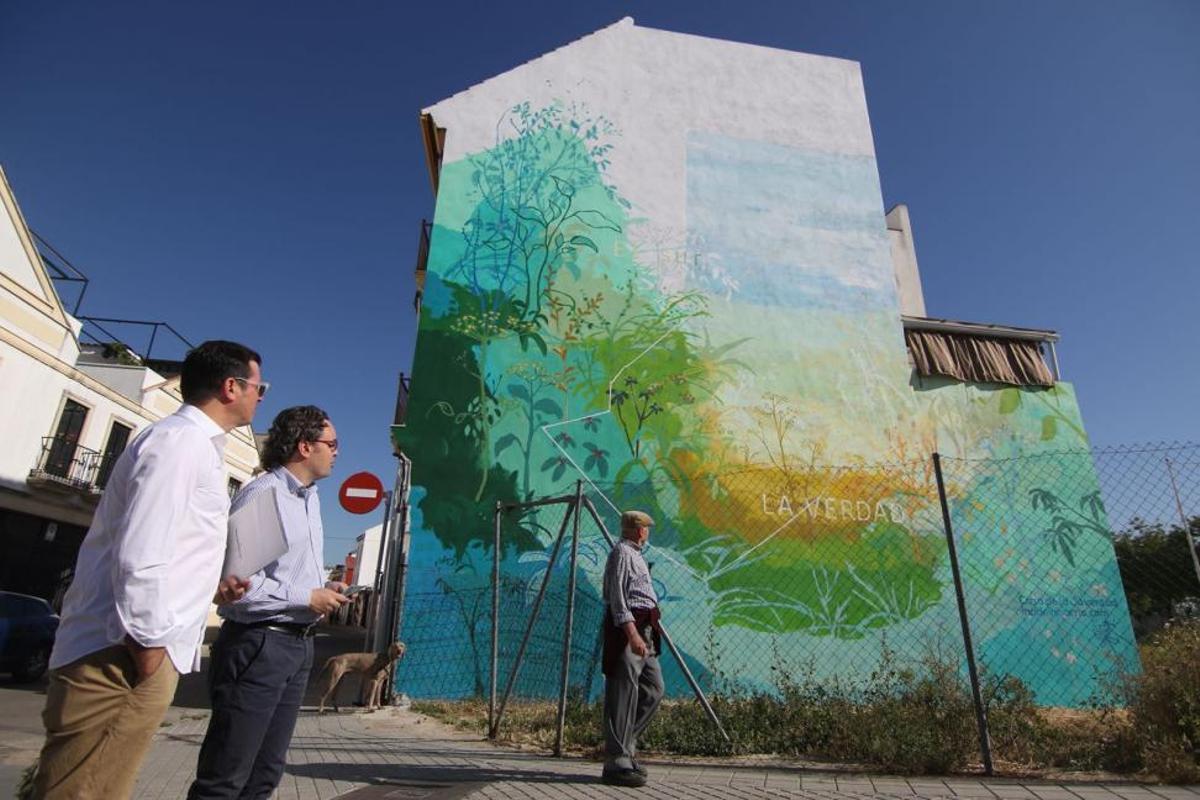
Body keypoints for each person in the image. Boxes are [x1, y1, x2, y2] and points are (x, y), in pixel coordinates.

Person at [32, 340, 265, 799]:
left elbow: (164, 546)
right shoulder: (180, 443)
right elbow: (140, 552)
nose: (261, 397)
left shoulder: (194, 445)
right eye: (260, 387)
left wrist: (211, 589)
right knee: (85, 788)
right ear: (231, 386)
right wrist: (148, 646)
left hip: (131, 649)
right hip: (119, 655)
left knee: (104, 785)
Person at [188, 405, 349, 800]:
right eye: (332, 443)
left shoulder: (309, 499)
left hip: (297, 646)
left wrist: (322, 586)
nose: (338, 452)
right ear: (304, 446)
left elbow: (282, 573)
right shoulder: (264, 494)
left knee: (265, 775)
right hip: (259, 644)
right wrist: (306, 596)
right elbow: (237, 587)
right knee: (226, 776)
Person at [600, 510, 665, 788]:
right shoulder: (622, 554)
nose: (647, 532)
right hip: (630, 630)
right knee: (624, 692)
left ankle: (625, 745)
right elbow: (617, 597)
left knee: (653, 688)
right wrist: (632, 634)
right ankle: (617, 760)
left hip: (646, 630)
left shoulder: (637, 555)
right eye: (646, 528)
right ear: (639, 530)